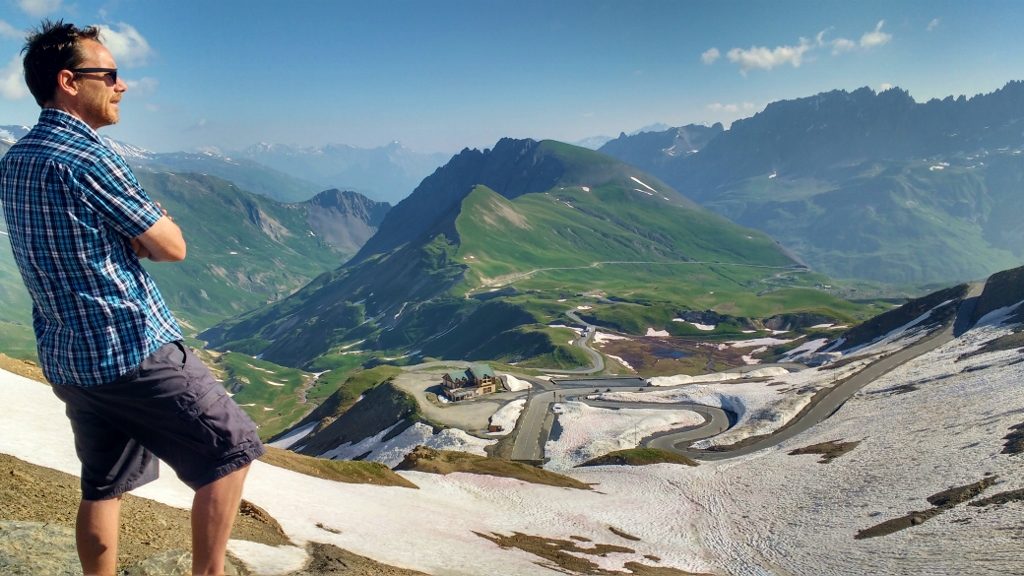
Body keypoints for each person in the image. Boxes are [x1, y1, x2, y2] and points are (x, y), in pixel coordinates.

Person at [0, 20, 265, 576]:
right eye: (111, 75)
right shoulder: (89, 156)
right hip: (130, 347)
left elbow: (69, 238)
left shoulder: (16, 159)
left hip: (69, 355)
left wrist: (127, 234)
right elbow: (171, 247)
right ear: (70, 81)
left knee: (103, 485)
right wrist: (147, 228)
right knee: (232, 448)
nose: (123, 85)